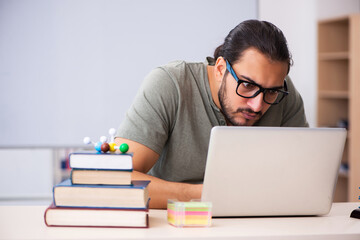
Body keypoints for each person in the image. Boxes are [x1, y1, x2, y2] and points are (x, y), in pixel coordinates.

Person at [115, 19, 308, 209]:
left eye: (272, 91)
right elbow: (118, 178)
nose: (257, 106)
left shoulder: (283, 93)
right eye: (248, 86)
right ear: (220, 69)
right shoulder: (170, 84)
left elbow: (305, 178)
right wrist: (205, 195)